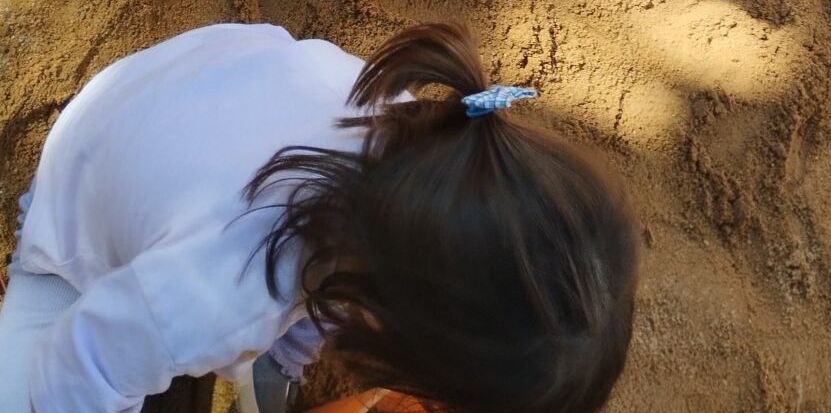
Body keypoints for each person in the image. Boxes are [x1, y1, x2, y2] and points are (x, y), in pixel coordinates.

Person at [0, 21, 637, 413]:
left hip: (168, 104)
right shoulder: (212, 298)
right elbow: (73, 377)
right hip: (71, 247)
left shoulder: (424, 140)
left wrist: (287, 356)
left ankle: (277, 362)